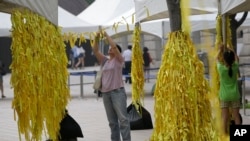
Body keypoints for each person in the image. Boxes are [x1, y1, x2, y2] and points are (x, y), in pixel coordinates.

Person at [92, 31, 131, 141]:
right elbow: (95, 50)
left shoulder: (119, 60)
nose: (110, 49)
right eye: (109, 48)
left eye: (111, 48)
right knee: (112, 122)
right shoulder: (105, 60)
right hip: (106, 93)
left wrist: (106, 35)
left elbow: (114, 46)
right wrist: (96, 37)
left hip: (117, 92)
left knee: (123, 120)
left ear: (116, 51)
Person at [216, 44, 241, 135]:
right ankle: (238, 134)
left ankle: (224, 135)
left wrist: (220, 49)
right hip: (235, 95)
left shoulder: (221, 69)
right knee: (236, 116)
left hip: (224, 96)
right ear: (232, 60)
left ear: (225, 60)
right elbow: (237, 59)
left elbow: (216, 59)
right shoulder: (235, 68)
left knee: (224, 117)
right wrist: (232, 49)